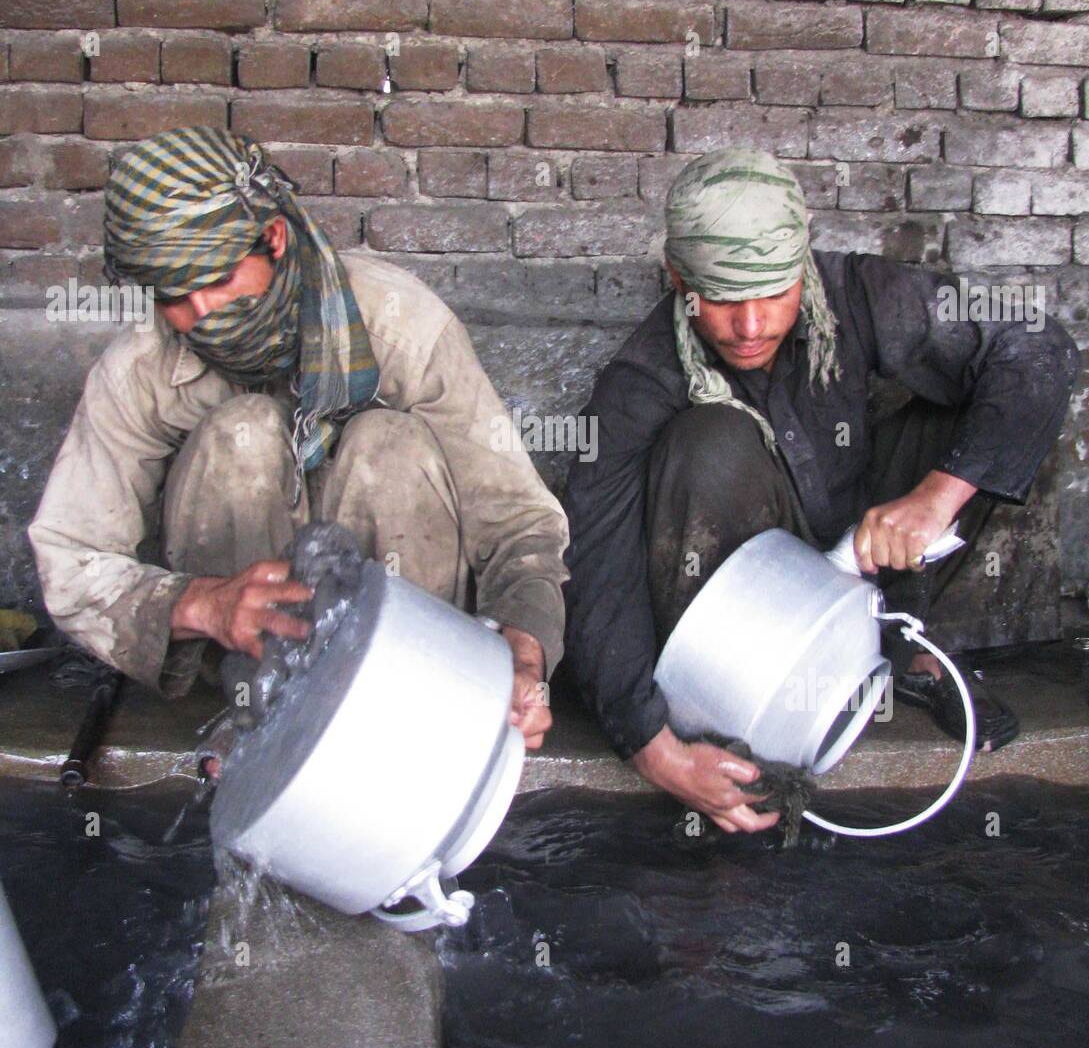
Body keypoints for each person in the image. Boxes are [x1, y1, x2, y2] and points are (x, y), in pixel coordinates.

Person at [562, 147, 1079, 834]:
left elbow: (1035, 340)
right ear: (678, 279)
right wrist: (654, 750)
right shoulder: (637, 381)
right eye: (720, 298)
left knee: (967, 409)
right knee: (707, 442)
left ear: (802, 268)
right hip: (750, 615)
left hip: (865, 552)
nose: (751, 327)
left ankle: (904, 648)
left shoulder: (860, 292)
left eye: (773, 294)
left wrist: (935, 496)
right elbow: (594, 566)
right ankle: (730, 715)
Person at [30, 126, 569, 751]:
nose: (203, 312)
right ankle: (259, 711)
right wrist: (200, 603)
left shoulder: (404, 327)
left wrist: (523, 658)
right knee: (242, 434)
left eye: (221, 278)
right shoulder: (140, 372)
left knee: (387, 444)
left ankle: (397, 695)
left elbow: (520, 522)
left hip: (412, 655)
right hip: (245, 664)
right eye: (176, 294)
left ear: (274, 239)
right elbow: (69, 558)